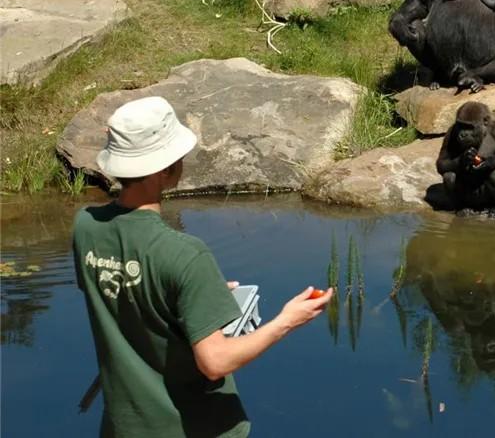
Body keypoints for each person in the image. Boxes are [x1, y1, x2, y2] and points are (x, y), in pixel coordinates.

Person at [72, 96, 332, 437]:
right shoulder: (185, 253)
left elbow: (120, 293)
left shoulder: (85, 227)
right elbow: (215, 363)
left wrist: (195, 299)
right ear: (165, 169)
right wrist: (285, 322)